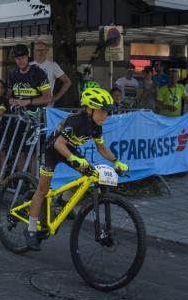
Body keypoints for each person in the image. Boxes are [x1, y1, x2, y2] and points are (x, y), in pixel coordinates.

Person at [25, 87, 128, 250]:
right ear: (89, 108)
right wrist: (73, 159)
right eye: (103, 111)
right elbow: (59, 144)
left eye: (108, 112)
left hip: (68, 150)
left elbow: (101, 149)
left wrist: (116, 161)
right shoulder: (75, 121)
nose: (106, 115)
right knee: (43, 190)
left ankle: (62, 201)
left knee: (89, 175)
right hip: (53, 150)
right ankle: (31, 229)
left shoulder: (96, 126)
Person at [6, 44, 52, 110]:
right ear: (15, 59)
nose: (21, 61)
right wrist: (10, 99)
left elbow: (48, 98)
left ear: (27, 57)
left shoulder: (38, 73)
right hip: (16, 116)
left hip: (35, 116)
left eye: (23, 58)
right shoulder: (13, 73)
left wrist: (28, 101)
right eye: (18, 58)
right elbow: (9, 94)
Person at [32, 41, 72, 106]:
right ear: (34, 51)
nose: (40, 52)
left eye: (43, 50)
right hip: (31, 105)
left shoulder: (53, 65)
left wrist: (55, 98)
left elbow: (68, 82)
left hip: (47, 106)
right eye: (38, 50)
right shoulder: (29, 66)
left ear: (47, 51)